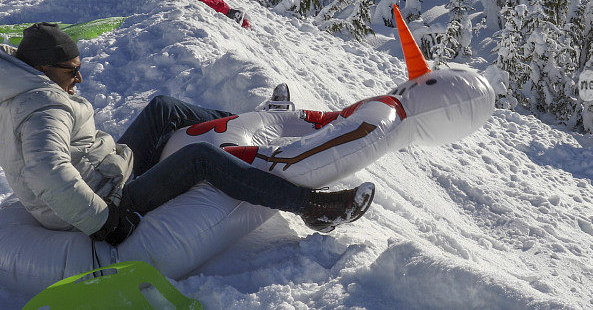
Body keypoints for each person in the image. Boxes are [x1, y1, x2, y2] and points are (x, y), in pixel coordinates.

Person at [0, 23, 373, 246]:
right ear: (44, 68)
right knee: (200, 159)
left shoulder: (22, 81)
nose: (78, 78)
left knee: (163, 108)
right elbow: (48, 171)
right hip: (106, 200)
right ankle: (311, 208)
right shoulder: (43, 107)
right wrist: (104, 222)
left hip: (105, 170)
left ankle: (257, 121)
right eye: (71, 70)